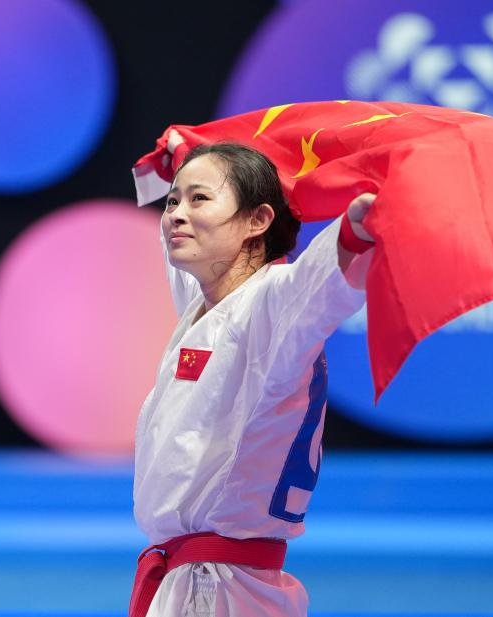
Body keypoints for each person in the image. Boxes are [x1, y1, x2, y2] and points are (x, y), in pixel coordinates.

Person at [130, 133, 376, 616]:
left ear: (257, 220)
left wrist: (354, 233)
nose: (175, 213)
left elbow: (319, 287)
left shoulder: (273, 305)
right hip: (196, 580)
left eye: (199, 199)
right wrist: (176, 162)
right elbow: (180, 257)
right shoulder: (208, 306)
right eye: (173, 201)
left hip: (223, 592)